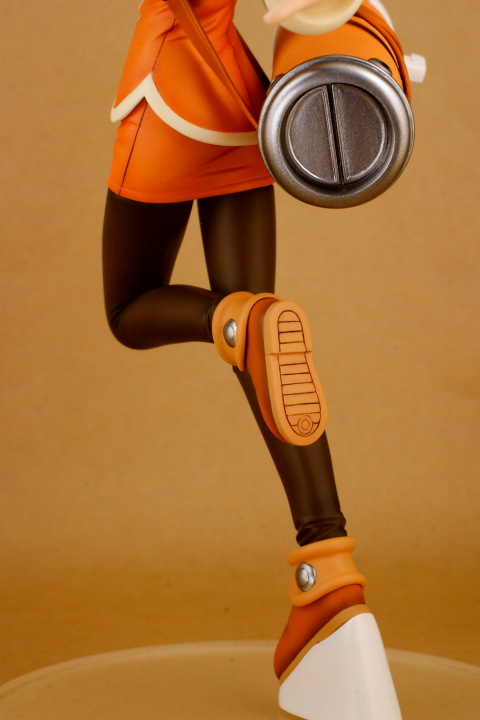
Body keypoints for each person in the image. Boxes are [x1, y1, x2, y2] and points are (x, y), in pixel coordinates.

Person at [103, 1, 408, 716]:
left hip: (169, 91)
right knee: (259, 345)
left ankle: (230, 318)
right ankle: (330, 572)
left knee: (132, 308)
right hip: (241, 103)